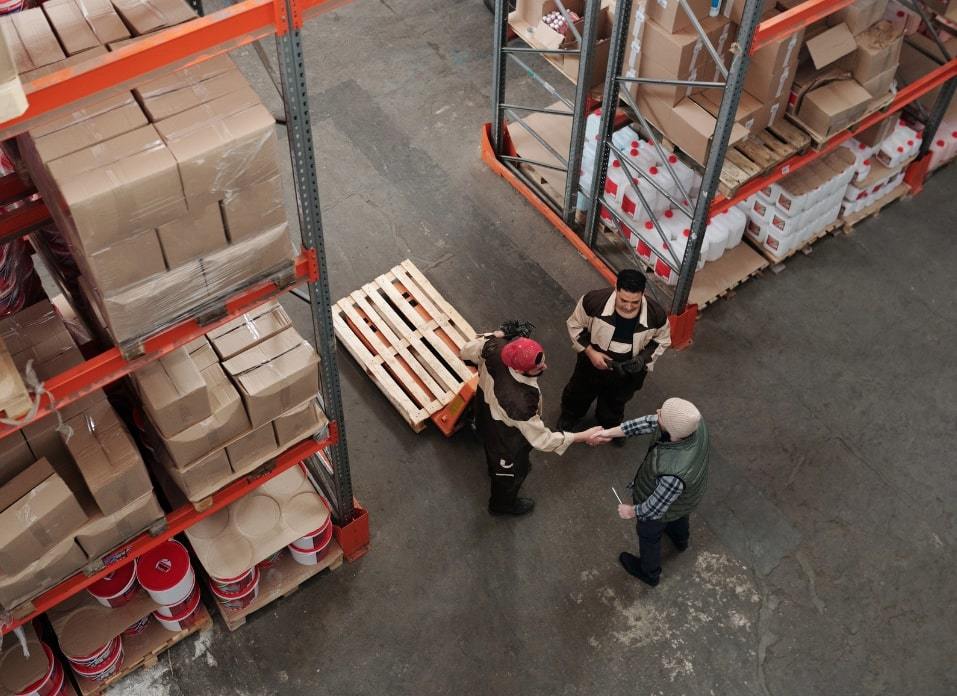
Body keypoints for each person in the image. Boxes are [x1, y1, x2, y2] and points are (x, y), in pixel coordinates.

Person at [461, 329, 603, 516]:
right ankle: (502, 506)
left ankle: (493, 468)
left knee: (489, 446)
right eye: (538, 367)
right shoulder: (519, 404)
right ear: (519, 370)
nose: (545, 367)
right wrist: (581, 436)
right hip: (505, 440)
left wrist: (496, 333)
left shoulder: (494, 347)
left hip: (484, 415)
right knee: (511, 475)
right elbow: (542, 440)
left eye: (542, 360)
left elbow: (465, 351)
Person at [593, 398, 709, 587]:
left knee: (649, 533)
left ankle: (649, 572)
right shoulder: (693, 423)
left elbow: (654, 508)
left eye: (661, 414)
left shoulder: (673, 474)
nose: (657, 412)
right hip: (686, 498)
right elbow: (648, 422)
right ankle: (681, 541)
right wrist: (607, 433)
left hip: (666, 502)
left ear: (670, 430)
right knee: (678, 516)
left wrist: (631, 511)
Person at [557, 269, 671, 446]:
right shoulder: (593, 302)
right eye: (623, 300)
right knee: (579, 392)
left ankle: (610, 426)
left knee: (616, 401)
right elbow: (575, 326)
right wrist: (590, 352)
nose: (628, 306)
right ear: (616, 288)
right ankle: (570, 416)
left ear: (643, 294)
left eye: (634, 302)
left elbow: (661, 340)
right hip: (591, 365)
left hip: (628, 371)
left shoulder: (656, 316)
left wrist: (642, 359)